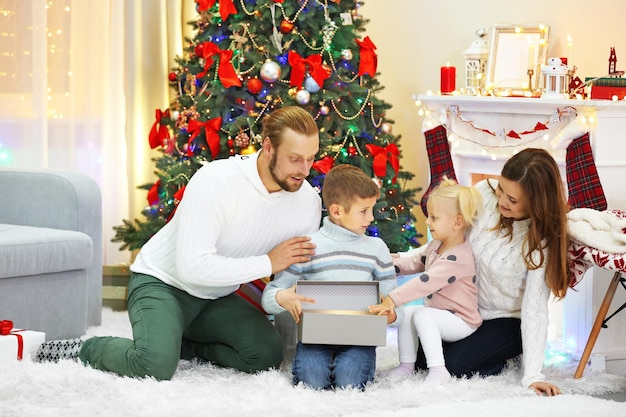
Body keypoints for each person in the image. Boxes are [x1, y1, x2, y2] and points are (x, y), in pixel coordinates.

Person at [35, 106, 323, 380]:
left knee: (265, 355)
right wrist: (268, 262)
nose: (305, 170)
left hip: (215, 296)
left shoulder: (307, 201)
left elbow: (294, 277)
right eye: (295, 159)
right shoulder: (218, 180)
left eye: (311, 158)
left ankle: (178, 345)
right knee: (153, 365)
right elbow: (191, 268)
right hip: (163, 283)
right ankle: (84, 349)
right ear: (269, 147)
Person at [413, 148, 569, 396]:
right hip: (468, 312)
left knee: (453, 365)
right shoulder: (485, 194)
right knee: (422, 357)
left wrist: (533, 375)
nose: (501, 202)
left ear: (537, 202)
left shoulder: (540, 243)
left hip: (505, 322)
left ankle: (507, 360)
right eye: (501, 191)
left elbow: (535, 308)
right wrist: (402, 260)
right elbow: (448, 240)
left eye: (513, 200)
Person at [261, 164, 399, 390]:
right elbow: (269, 297)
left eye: (371, 209)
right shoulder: (308, 246)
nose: (371, 217)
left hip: (359, 340)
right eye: (363, 211)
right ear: (336, 211)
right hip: (315, 339)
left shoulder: (377, 249)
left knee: (350, 382)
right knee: (311, 381)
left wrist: (390, 313)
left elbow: (395, 301)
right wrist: (283, 297)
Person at [369, 177, 483, 384]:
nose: (428, 222)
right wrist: (389, 265)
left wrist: (393, 299)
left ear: (457, 222)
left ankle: (439, 371)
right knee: (409, 313)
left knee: (422, 315)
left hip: (461, 320)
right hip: (441, 314)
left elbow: (425, 281)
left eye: (434, 217)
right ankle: (406, 366)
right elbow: (415, 262)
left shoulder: (458, 257)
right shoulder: (436, 246)